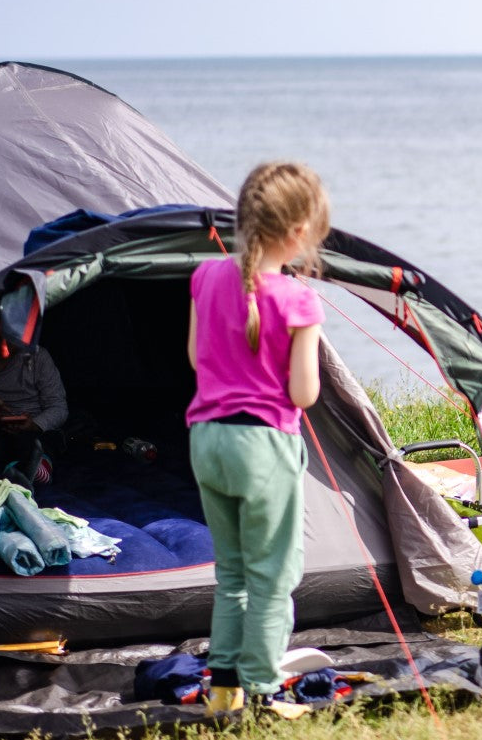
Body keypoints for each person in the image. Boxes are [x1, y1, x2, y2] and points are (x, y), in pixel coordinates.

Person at [186, 161, 331, 719]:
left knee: (233, 574)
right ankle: (266, 693)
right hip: (263, 447)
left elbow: (197, 359)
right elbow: (304, 392)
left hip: (207, 440)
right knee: (273, 579)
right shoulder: (298, 300)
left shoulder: (204, 277)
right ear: (299, 233)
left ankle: (224, 690)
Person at [0, 340, 67, 488]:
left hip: (33, 428)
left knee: (43, 441)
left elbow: (58, 407)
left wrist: (35, 424)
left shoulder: (36, 357)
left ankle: (36, 468)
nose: (3, 346)